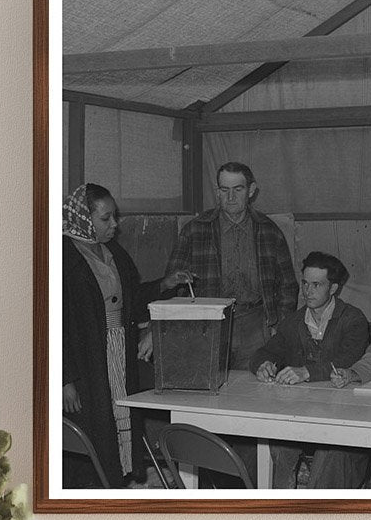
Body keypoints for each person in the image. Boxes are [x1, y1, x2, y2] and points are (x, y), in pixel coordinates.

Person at [250, 251, 370, 488]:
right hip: (300, 414)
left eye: (317, 285)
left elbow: (349, 359)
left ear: (334, 288)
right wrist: (262, 365)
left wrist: (306, 372)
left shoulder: (353, 319)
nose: (308, 291)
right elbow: (265, 352)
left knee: (330, 452)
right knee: (278, 444)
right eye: (305, 283)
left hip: (340, 416)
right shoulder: (294, 321)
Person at [163, 161, 297, 371]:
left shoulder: (269, 231)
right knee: (208, 390)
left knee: (254, 392)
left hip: (256, 327)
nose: (231, 197)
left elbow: (288, 285)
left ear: (251, 190)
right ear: (218, 191)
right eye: (224, 190)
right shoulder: (194, 231)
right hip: (209, 326)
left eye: (238, 189)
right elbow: (171, 285)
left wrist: (280, 326)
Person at [62, 183, 154, 487]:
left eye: (114, 217)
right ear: (84, 218)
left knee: (119, 418)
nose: (114, 225)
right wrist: (65, 379)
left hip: (117, 349)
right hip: (85, 358)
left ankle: (117, 482)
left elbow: (131, 298)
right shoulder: (62, 257)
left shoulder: (113, 251)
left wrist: (166, 283)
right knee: (94, 427)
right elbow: (52, 323)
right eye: (105, 219)